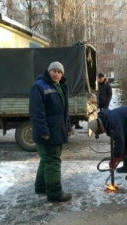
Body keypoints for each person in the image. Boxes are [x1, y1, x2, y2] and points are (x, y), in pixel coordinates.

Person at [29, 61, 72, 202]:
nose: (57, 74)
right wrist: (43, 131)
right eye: (54, 71)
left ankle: (41, 187)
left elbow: (64, 111)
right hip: (48, 133)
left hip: (58, 131)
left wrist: (68, 126)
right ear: (48, 71)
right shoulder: (39, 87)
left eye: (59, 72)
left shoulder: (60, 87)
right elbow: (36, 113)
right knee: (53, 161)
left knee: (47, 160)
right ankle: (54, 193)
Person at [88, 106, 127, 181]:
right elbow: (120, 141)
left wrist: (115, 159)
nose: (102, 133)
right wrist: (120, 154)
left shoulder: (112, 121)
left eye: (100, 132)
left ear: (100, 127)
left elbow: (119, 141)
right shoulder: (106, 121)